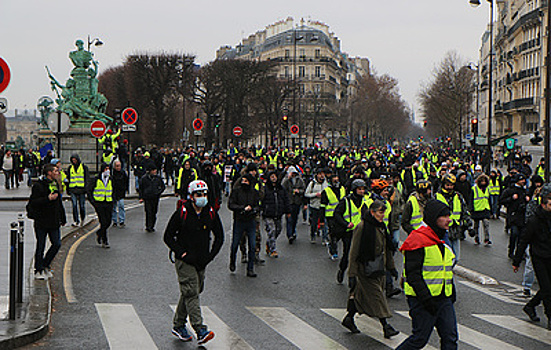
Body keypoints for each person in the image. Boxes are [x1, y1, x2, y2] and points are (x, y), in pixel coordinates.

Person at [163, 180, 223, 344]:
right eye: (198, 195)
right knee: (191, 291)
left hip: (201, 261)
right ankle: (200, 329)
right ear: (191, 196)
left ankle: (178, 324)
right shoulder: (182, 213)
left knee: (192, 291)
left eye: (204, 194)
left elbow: (220, 236)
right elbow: (168, 237)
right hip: (185, 261)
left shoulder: (210, 212)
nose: (202, 198)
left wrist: (210, 256)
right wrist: (182, 253)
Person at [397, 199, 458, 350]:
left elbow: (444, 269)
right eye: (444, 216)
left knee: (450, 338)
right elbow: (413, 274)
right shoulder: (417, 239)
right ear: (434, 218)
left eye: (449, 216)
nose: (448, 220)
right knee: (419, 339)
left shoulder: (443, 238)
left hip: (444, 298)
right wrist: (426, 299)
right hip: (422, 300)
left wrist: (451, 292)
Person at [341, 200, 400, 339]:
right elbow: (354, 252)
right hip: (364, 269)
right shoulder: (362, 227)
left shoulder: (381, 226)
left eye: (384, 212)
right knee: (377, 296)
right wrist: (352, 274)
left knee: (360, 296)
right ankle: (386, 326)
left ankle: (349, 318)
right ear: (372, 212)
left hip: (378, 268)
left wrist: (391, 268)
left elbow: (387, 249)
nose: (383, 215)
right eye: (380, 212)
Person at [513, 191, 551, 330]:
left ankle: (530, 306)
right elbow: (524, 240)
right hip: (539, 256)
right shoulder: (534, 221)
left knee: (548, 287)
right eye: (550, 205)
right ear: (543, 205)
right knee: (546, 289)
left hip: (550, 255)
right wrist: (517, 261)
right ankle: (550, 316)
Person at [28, 164, 66, 279]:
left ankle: (45, 264)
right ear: (49, 173)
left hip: (54, 220)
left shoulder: (55, 184)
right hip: (42, 220)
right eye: (55, 171)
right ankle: (38, 270)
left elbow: (59, 203)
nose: (57, 172)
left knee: (57, 244)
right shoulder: (39, 186)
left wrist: (62, 217)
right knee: (41, 245)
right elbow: (33, 202)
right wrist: (47, 199)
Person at [333, 179, 368, 284]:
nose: (362, 191)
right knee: (348, 253)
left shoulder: (365, 202)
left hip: (360, 232)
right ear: (354, 189)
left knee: (359, 255)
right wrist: (346, 223)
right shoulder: (346, 201)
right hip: (348, 232)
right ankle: (342, 269)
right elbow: (337, 214)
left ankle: (354, 276)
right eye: (359, 189)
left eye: (363, 189)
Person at [228, 174, 260, 277]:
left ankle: (250, 269)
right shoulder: (237, 191)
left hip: (251, 221)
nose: (244, 183)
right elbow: (231, 204)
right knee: (235, 244)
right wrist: (242, 208)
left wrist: (253, 210)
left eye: (246, 181)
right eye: (243, 180)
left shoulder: (254, 193)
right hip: (239, 220)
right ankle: (232, 260)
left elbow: (258, 205)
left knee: (252, 245)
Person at [435, 174, 471, 261]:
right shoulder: (437, 196)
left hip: (455, 229)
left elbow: (464, 210)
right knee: (447, 257)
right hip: (443, 230)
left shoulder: (458, 196)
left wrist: (468, 224)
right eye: (447, 185)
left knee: (456, 258)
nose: (449, 187)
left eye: (451, 185)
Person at [261, 171, 290, 258]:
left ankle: (269, 243)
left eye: (275, 176)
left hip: (278, 213)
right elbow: (262, 200)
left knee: (278, 230)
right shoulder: (265, 189)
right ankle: (273, 249)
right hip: (268, 213)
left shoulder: (281, 188)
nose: (273, 178)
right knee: (272, 230)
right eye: (272, 176)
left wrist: (288, 211)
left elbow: (286, 199)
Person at [500, 173, 529, 258]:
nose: (523, 181)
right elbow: (502, 200)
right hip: (513, 215)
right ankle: (511, 250)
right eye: (521, 180)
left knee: (522, 236)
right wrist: (511, 198)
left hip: (522, 216)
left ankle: (519, 252)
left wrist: (527, 199)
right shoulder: (510, 190)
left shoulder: (524, 191)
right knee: (514, 234)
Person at [322, 173, 347, 261]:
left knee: (342, 234)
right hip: (331, 216)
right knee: (333, 234)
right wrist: (321, 219)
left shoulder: (343, 189)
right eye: (334, 180)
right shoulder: (326, 191)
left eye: (337, 179)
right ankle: (334, 251)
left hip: (342, 215)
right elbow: (322, 206)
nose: (336, 181)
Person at [88, 163, 113, 248]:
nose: (108, 171)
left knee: (109, 221)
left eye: (108, 169)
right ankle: (105, 241)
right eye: (106, 169)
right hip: (99, 203)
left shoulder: (110, 179)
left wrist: (113, 200)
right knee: (103, 221)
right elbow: (89, 191)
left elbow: (114, 190)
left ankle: (99, 233)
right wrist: (93, 201)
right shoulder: (96, 180)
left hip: (108, 202)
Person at [281, 166, 306, 243]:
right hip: (289, 202)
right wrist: (287, 178)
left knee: (295, 218)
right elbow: (282, 187)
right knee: (289, 219)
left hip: (297, 201)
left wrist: (299, 191)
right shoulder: (286, 180)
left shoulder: (299, 180)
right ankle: (289, 235)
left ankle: (293, 231)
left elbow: (304, 189)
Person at [304, 168, 329, 244]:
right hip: (314, 205)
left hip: (324, 206)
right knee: (314, 222)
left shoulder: (326, 183)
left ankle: (324, 238)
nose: (322, 176)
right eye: (320, 174)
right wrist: (315, 194)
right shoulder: (312, 183)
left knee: (324, 222)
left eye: (323, 174)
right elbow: (306, 194)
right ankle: (313, 235)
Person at [139, 164, 166, 232]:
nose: (155, 171)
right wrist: (141, 197)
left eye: (155, 170)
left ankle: (152, 225)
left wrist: (158, 192)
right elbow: (141, 188)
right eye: (153, 170)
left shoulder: (158, 178)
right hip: (147, 197)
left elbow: (163, 186)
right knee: (148, 212)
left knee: (154, 211)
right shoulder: (144, 178)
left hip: (155, 197)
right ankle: (148, 226)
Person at [66, 154, 89, 226]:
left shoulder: (84, 167)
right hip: (73, 189)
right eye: (72, 160)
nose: (74, 161)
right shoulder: (70, 168)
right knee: (74, 205)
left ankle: (83, 218)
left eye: (75, 160)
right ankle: (76, 220)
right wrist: (68, 189)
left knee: (82, 205)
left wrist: (86, 188)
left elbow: (86, 178)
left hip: (81, 189)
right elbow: (68, 179)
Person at [470, 174, 492, 246]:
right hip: (477, 209)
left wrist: (491, 209)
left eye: (485, 181)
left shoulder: (487, 189)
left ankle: (487, 238)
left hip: (485, 208)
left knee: (486, 224)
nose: (483, 183)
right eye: (482, 181)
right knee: (476, 225)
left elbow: (489, 199)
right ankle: (476, 237)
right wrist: (471, 209)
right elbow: (471, 199)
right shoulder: (474, 189)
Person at [111, 160, 129, 227]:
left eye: (119, 166)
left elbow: (126, 181)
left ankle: (121, 220)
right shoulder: (112, 173)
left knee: (121, 206)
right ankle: (114, 221)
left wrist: (126, 189)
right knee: (113, 207)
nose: (118, 167)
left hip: (121, 192)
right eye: (117, 166)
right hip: (114, 192)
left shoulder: (123, 173)